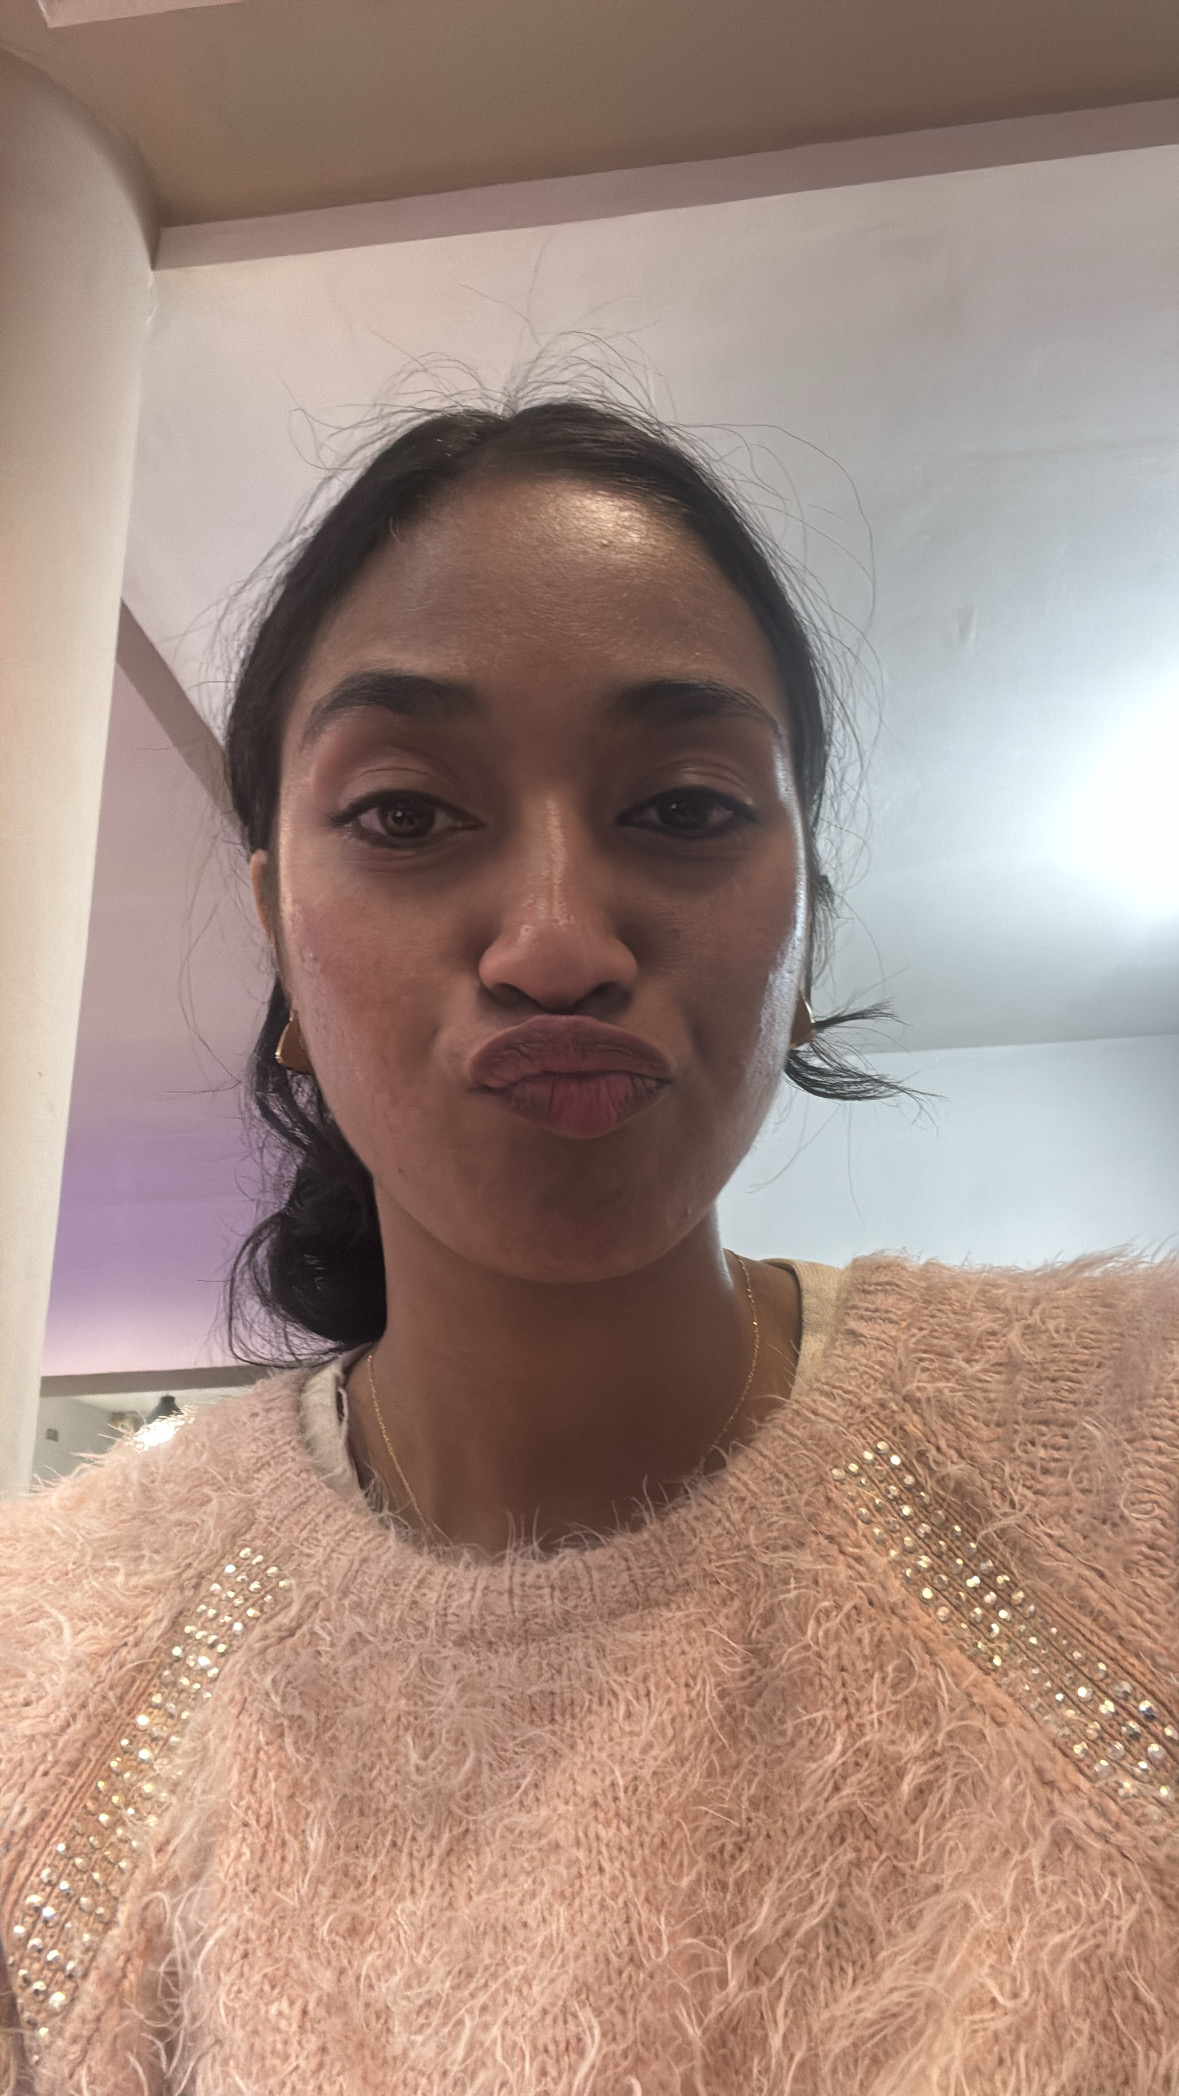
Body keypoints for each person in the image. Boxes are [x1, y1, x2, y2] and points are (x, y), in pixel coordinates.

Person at [1, 399, 1176, 2096]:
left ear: (806, 927)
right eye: (406, 815)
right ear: (279, 939)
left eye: (686, 807)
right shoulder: (49, 1672)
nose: (557, 946)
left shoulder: (1138, 1462)